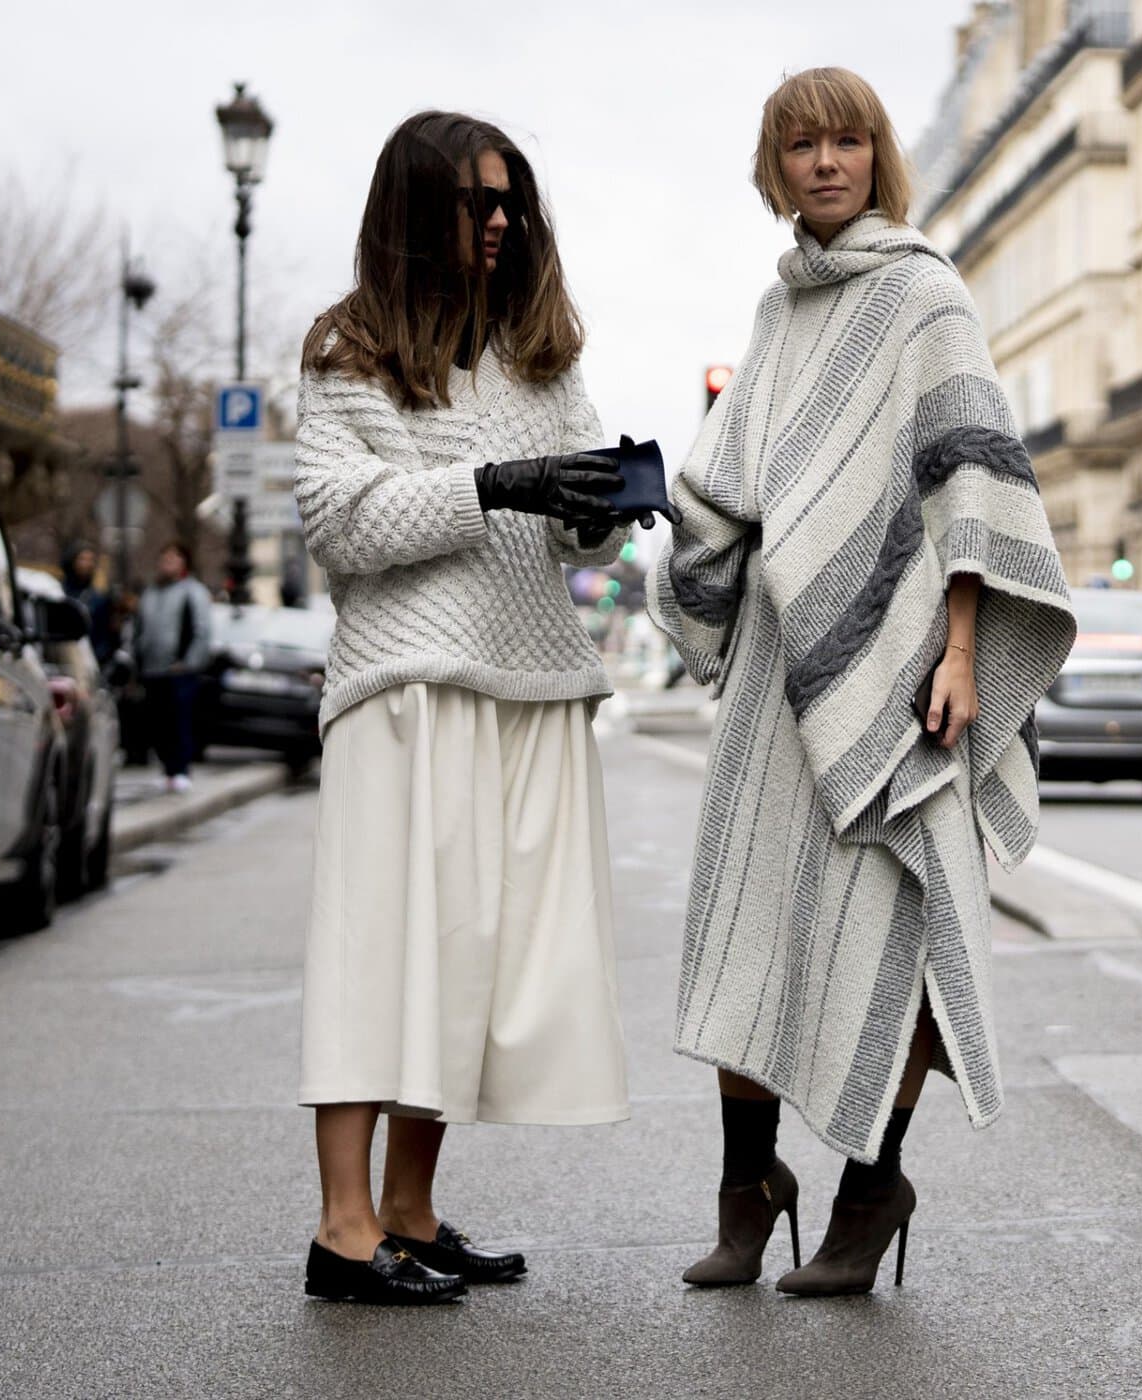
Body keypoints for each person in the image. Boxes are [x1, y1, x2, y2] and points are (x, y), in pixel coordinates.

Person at [647, 68, 1075, 1297]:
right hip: (776, 677)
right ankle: (748, 1185)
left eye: (845, 141)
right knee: (746, 928)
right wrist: (686, 531)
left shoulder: (926, 296)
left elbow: (970, 486)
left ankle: (869, 1185)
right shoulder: (780, 311)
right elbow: (736, 476)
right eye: (799, 146)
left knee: (892, 930)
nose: (824, 163)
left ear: (876, 155)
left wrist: (956, 653)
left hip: (899, 676)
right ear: (773, 167)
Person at [292, 110, 640, 1307]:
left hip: (531, 677)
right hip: (405, 683)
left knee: (468, 960)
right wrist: (491, 484)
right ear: (415, 210)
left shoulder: (539, 352)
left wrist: (600, 502)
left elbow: (569, 520)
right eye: (475, 204)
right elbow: (344, 525)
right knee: (378, 949)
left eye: (511, 204)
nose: (499, 224)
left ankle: (410, 1209)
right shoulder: (349, 350)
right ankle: (342, 1232)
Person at [133, 542, 213, 794]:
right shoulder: (151, 592)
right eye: (164, 558)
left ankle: (180, 770)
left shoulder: (193, 592)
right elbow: (139, 628)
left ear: (183, 563)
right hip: (152, 669)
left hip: (179, 671)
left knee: (178, 722)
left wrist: (188, 662)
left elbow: (201, 631)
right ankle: (167, 769)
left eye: (173, 558)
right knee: (158, 723)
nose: (167, 563)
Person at [60, 542, 117, 667]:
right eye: (82, 559)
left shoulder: (99, 599)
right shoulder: (57, 592)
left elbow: (104, 636)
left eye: (90, 560)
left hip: (88, 662)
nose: (87, 564)